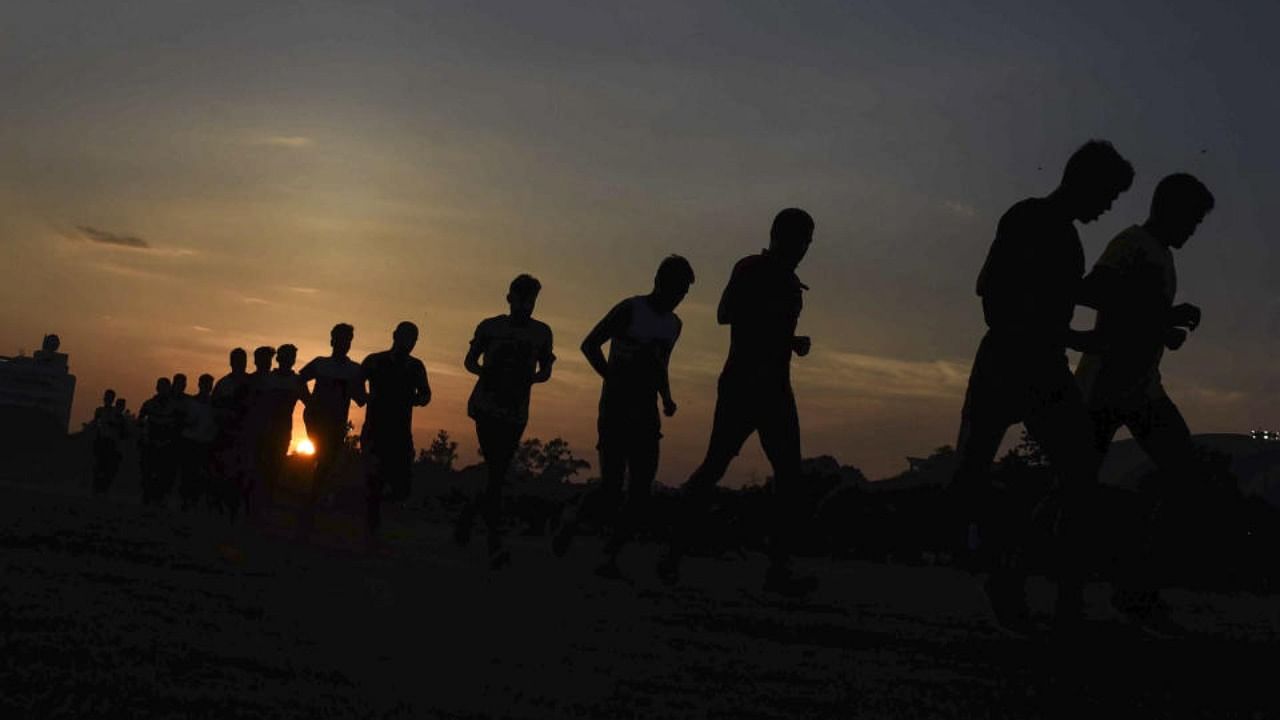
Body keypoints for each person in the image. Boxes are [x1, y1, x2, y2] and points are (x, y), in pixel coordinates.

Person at [950, 140, 1134, 635]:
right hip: (1013, 360)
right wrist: (1074, 332)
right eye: (1108, 195)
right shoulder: (1031, 218)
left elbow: (1047, 293)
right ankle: (1011, 576)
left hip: (1040, 363)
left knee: (1075, 476)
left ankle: (1049, 593)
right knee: (974, 475)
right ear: (1085, 182)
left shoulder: (1063, 235)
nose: (1108, 207)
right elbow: (993, 290)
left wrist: (1082, 320)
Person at [1075, 173, 1215, 636]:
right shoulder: (1131, 244)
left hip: (1141, 389)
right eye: (1191, 220)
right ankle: (1028, 578)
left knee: (1186, 478)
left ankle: (1134, 590)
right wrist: (1160, 320)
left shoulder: (1160, 254)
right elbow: (1094, 291)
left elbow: (1130, 313)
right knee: (1071, 490)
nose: (1192, 231)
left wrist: (1164, 324)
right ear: (1169, 210)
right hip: (1103, 387)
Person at [657, 209, 818, 597]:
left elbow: (770, 329)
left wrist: (790, 342)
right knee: (716, 464)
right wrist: (777, 331)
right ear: (782, 236)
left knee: (789, 477)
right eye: (802, 240)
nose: (805, 248)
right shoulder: (751, 268)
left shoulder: (792, 282)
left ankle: (777, 570)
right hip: (744, 383)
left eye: (808, 242)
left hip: (776, 388)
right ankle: (672, 553)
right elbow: (724, 314)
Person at [553, 256, 694, 578]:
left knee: (641, 489)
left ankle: (611, 556)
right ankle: (573, 519)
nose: (680, 297)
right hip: (616, 408)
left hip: (646, 411)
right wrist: (610, 378)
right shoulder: (629, 309)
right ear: (660, 282)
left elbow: (662, 365)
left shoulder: (674, 325)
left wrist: (667, 397)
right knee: (611, 488)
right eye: (678, 290)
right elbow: (590, 344)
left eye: (685, 293)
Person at [452, 275, 555, 568]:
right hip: (486, 405)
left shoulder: (542, 333)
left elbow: (546, 369)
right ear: (509, 299)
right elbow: (470, 361)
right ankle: (493, 542)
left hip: (516, 410)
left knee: (497, 471)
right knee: (496, 470)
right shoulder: (490, 327)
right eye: (521, 300)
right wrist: (489, 374)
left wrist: (531, 379)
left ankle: (468, 517)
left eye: (531, 301)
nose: (525, 307)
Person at [361, 322, 431, 541]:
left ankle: (377, 512)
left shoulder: (416, 366)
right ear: (395, 336)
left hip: (400, 431)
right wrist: (365, 398)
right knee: (375, 477)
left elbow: (426, 394)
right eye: (405, 337)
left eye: (413, 339)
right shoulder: (375, 360)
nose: (409, 343)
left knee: (402, 484)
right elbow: (356, 383)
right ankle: (372, 525)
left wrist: (416, 400)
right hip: (375, 428)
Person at [298, 323, 367, 537]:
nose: (342, 344)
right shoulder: (320, 364)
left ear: (350, 343)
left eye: (346, 340)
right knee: (324, 460)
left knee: (326, 463)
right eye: (339, 339)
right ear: (332, 341)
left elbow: (360, 398)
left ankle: (311, 503)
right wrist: (309, 402)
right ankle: (310, 505)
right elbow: (300, 379)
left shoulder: (354, 370)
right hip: (317, 420)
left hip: (337, 423)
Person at [261, 344, 309, 496]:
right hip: (264, 428)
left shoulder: (297, 381)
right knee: (263, 464)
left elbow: (310, 403)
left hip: (283, 429)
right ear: (279, 358)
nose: (290, 360)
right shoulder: (267, 378)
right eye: (287, 356)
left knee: (276, 465)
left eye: (292, 357)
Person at [211, 348, 253, 519]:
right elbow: (214, 407)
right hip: (226, 434)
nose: (239, 363)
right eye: (236, 360)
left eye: (242, 360)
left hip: (245, 436)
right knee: (224, 472)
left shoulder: (253, 382)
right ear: (231, 362)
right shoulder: (223, 384)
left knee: (241, 475)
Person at [177, 373, 218, 511]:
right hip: (190, 441)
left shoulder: (214, 405)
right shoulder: (190, 402)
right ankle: (185, 500)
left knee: (201, 474)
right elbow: (181, 420)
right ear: (199, 385)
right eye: (205, 384)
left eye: (209, 385)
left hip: (205, 442)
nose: (207, 387)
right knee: (188, 472)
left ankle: (194, 499)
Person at [137, 377, 180, 506]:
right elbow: (140, 421)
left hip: (167, 443)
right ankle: (147, 497)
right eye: (161, 387)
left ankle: (160, 498)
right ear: (157, 388)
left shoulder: (174, 406)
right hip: (150, 442)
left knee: (164, 474)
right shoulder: (148, 404)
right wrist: (144, 436)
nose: (163, 390)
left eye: (166, 387)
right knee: (147, 472)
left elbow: (178, 425)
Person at [90, 389, 125, 495]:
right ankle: (97, 489)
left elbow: (121, 428)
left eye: (110, 397)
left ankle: (103, 489)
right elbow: (95, 423)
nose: (107, 399)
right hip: (101, 441)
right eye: (106, 397)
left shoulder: (116, 413)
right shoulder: (100, 411)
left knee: (109, 468)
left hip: (111, 443)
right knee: (99, 466)